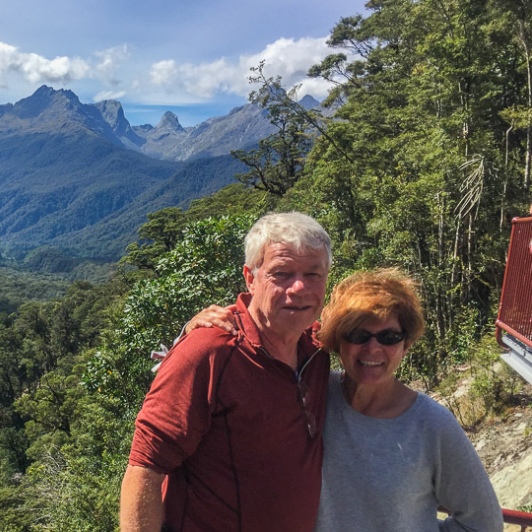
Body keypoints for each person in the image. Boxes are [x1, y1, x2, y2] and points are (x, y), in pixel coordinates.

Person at [188, 268, 504, 531]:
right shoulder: (308, 395)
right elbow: (245, 371)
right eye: (358, 335)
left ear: (406, 345)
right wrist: (195, 334)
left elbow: (482, 522)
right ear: (338, 341)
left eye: (389, 337)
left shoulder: (431, 425)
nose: (373, 348)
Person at [120, 212, 332, 532]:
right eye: (282, 273)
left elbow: (377, 341)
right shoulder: (210, 352)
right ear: (250, 277)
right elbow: (144, 469)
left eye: (313, 273)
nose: (299, 287)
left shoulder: (319, 346)